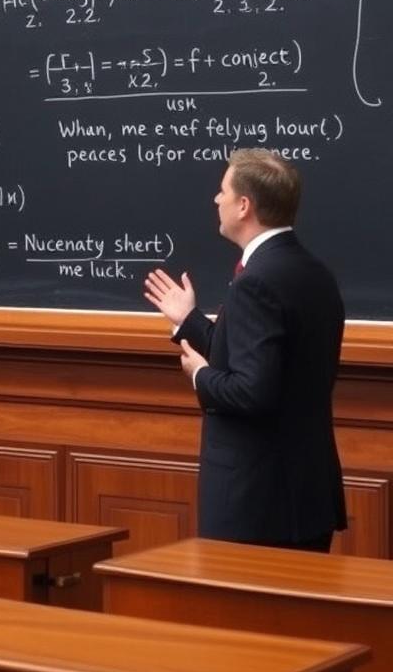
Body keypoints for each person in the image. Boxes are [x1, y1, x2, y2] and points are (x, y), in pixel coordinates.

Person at [144, 148, 346, 551]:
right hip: (304, 497)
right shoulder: (314, 273)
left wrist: (200, 375)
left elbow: (253, 392)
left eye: (222, 191)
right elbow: (267, 360)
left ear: (244, 205)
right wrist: (191, 322)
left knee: (248, 616)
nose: (215, 200)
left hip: (257, 502)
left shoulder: (257, 283)